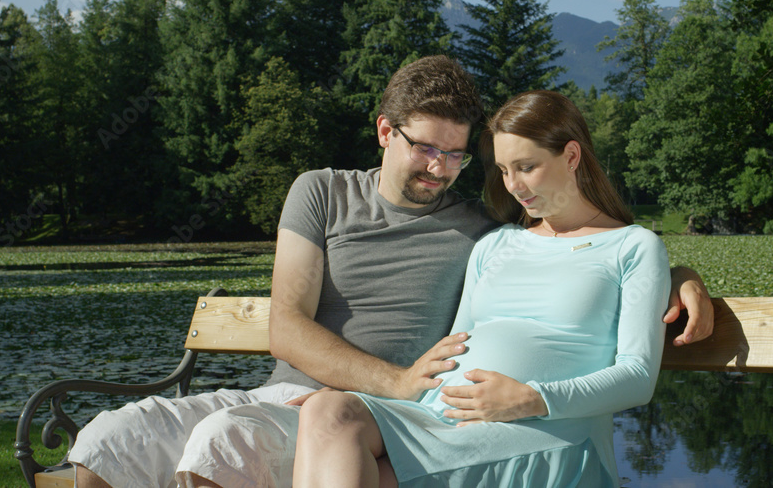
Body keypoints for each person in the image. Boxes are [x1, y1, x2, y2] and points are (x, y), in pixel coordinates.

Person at [69, 57, 711, 488]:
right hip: (335, 400)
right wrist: (402, 383)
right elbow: (286, 330)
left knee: (222, 441)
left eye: (457, 156)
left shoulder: (480, 228)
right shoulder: (322, 192)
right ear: (384, 132)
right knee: (108, 439)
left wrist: (681, 275)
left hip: (408, 413)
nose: (441, 168)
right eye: (427, 148)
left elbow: (589, 249)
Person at [292, 89, 671, 487]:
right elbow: (458, 344)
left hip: (545, 431)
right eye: (505, 170)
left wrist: (534, 398)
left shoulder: (632, 246)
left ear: (572, 156)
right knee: (329, 410)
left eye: (527, 166)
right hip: (444, 419)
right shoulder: (496, 243)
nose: (514, 185)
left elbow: (638, 376)